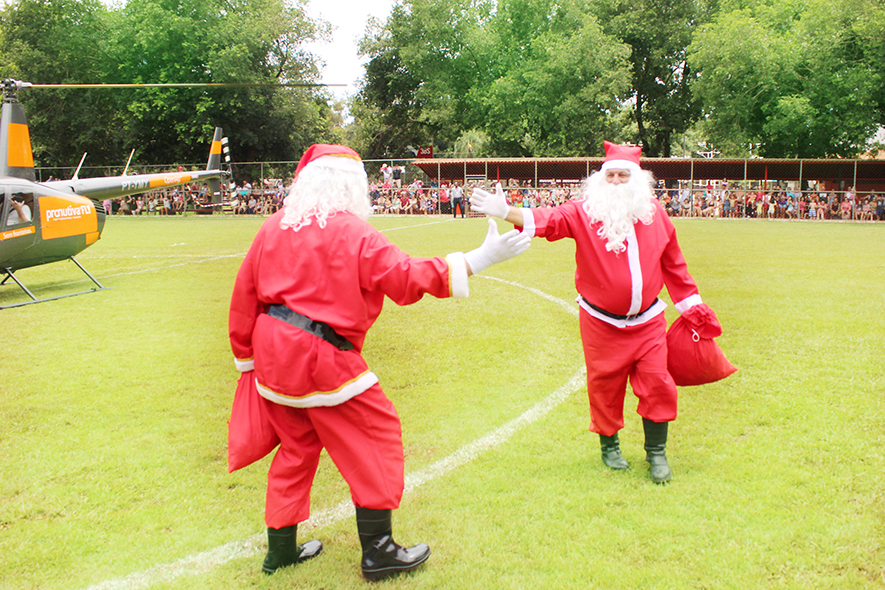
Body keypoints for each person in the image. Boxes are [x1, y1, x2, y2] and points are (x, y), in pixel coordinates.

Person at [228, 144, 530, 580]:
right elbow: (404, 277)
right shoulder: (352, 232)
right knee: (376, 435)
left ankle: (281, 552)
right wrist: (478, 260)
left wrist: (247, 360)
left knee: (295, 450)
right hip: (319, 354)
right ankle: (379, 551)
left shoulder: (273, 226)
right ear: (353, 186)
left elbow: (243, 297)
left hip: (272, 356)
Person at [471, 141, 720, 484]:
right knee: (604, 386)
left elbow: (674, 264)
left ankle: (657, 453)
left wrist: (692, 307)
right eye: (611, 175)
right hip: (601, 323)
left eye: (623, 175)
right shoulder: (583, 211)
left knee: (658, 384)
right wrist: (506, 211)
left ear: (637, 180)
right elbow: (549, 220)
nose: (617, 182)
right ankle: (610, 446)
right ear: (601, 179)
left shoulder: (655, 214)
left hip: (648, 322)